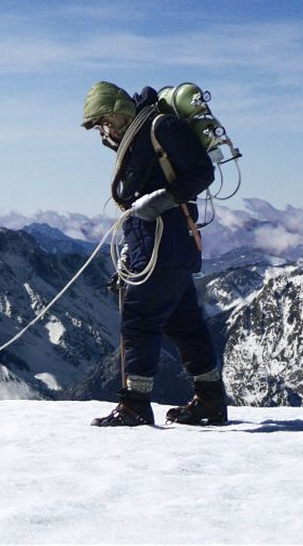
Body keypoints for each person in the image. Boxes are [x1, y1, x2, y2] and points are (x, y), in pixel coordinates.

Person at [81, 81, 228, 427]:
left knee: (138, 318)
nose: (104, 131)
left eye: (104, 121)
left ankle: (135, 404)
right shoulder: (142, 134)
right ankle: (210, 399)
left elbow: (201, 172)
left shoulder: (160, 128)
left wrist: (162, 199)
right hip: (164, 243)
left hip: (164, 242)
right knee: (184, 321)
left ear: (118, 111)